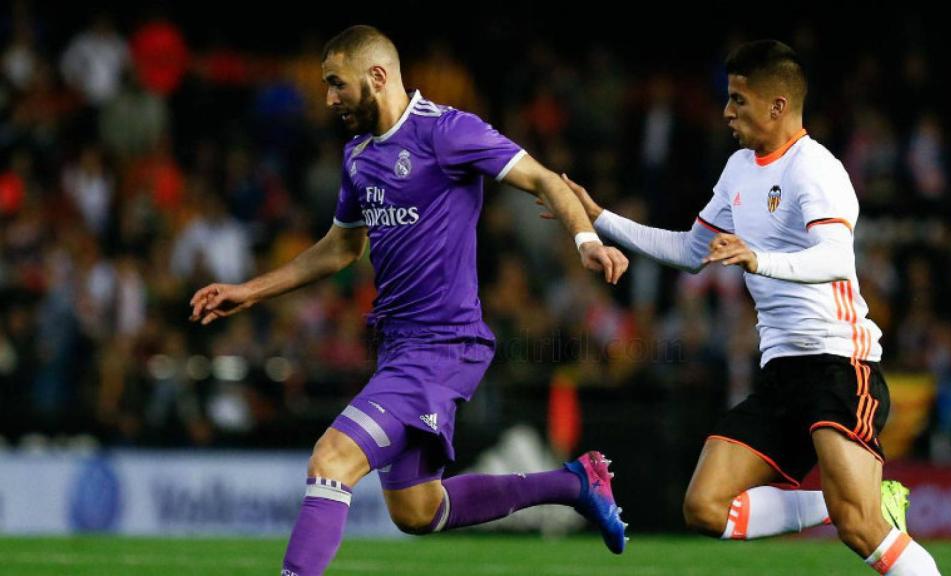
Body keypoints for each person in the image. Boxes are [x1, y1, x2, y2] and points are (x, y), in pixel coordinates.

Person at [188, 25, 629, 576]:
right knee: (418, 510)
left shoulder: (446, 132)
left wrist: (586, 240)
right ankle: (576, 483)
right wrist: (248, 291)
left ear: (377, 76)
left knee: (331, 459)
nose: (327, 99)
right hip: (398, 349)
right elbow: (341, 248)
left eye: (335, 84)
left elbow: (542, 178)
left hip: (442, 347)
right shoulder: (357, 157)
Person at [552, 40, 940, 575]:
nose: (727, 112)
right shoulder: (739, 169)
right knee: (705, 507)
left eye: (738, 100)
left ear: (778, 105)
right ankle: (854, 503)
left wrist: (759, 259)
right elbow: (691, 252)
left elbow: (832, 256)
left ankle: (865, 510)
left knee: (862, 529)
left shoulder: (816, 169)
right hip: (781, 373)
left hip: (838, 364)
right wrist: (601, 218)